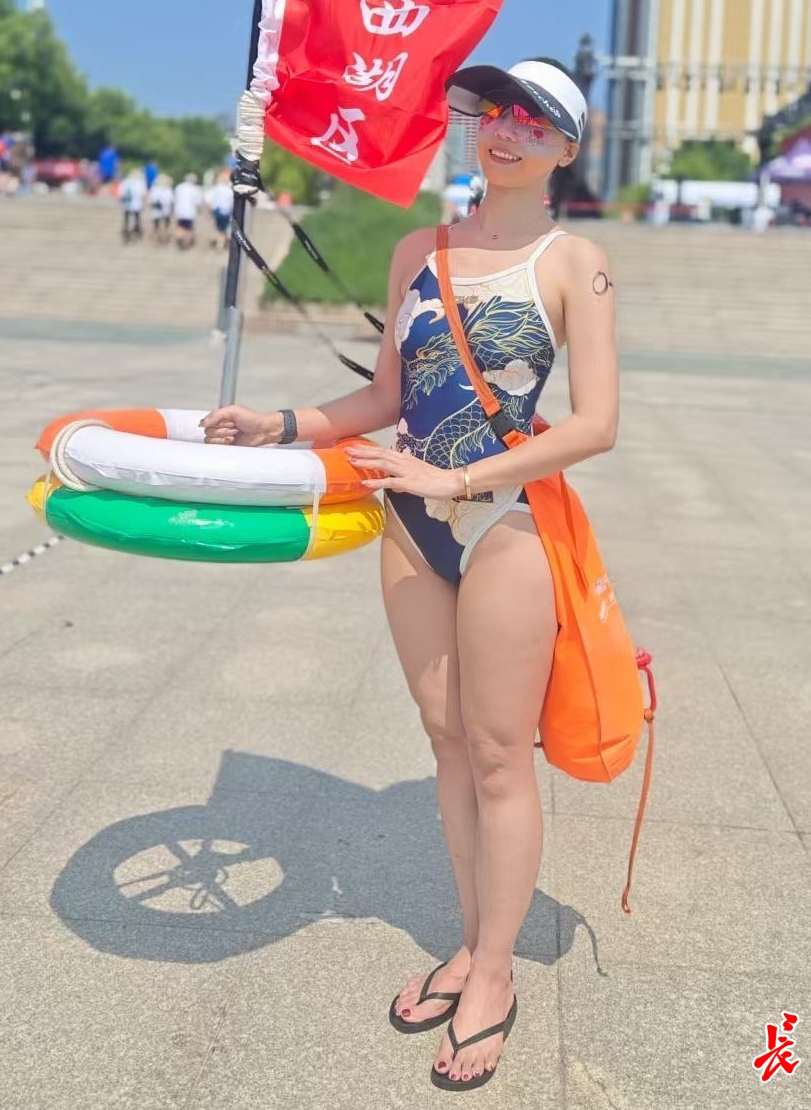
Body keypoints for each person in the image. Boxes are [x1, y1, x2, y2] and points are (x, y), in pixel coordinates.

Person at [204, 59, 618, 1090]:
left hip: (503, 524)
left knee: (497, 753)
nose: (505, 131)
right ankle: (473, 941)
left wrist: (460, 477)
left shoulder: (575, 263)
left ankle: (494, 974)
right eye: (494, 112)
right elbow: (386, 396)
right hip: (408, 523)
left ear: (567, 149)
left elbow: (596, 425)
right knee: (445, 740)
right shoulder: (417, 251)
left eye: (534, 122)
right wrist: (278, 424)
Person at [204, 169, 235, 250]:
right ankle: (221, 243)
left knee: (219, 229)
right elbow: (232, 202)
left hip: (218, 210)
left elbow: (208, 199)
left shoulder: (216, 188)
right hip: (227, 212)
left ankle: (220, 243)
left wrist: (211, 210)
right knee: (223, 229)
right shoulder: (229, 189)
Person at [173, 171, 203, 249]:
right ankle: (186, 243)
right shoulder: (195, 189)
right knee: (189, 229)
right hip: (190, 212)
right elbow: (198, 202)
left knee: (180, 226)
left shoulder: (180, 187)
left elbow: (175, 198)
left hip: (180, 211)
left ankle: (180, 239)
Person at [119, 167, 147, 243]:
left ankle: (126, 234)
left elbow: (121, 193)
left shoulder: (125, 182)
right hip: (136, 204)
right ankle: (135, 234)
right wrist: (144, 204)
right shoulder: (140, 182)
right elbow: (143, 194)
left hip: (127, 204)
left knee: (126, 220)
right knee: (136, 219)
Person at [148, 173, 174, 244]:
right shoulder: (167, 190)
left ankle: (158, 239)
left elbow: (152, 199)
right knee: (163, 225)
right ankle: (161, 238)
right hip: (162, 209)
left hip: (159, 210)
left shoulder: (156, 189)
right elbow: (171, 200)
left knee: (157, 225)